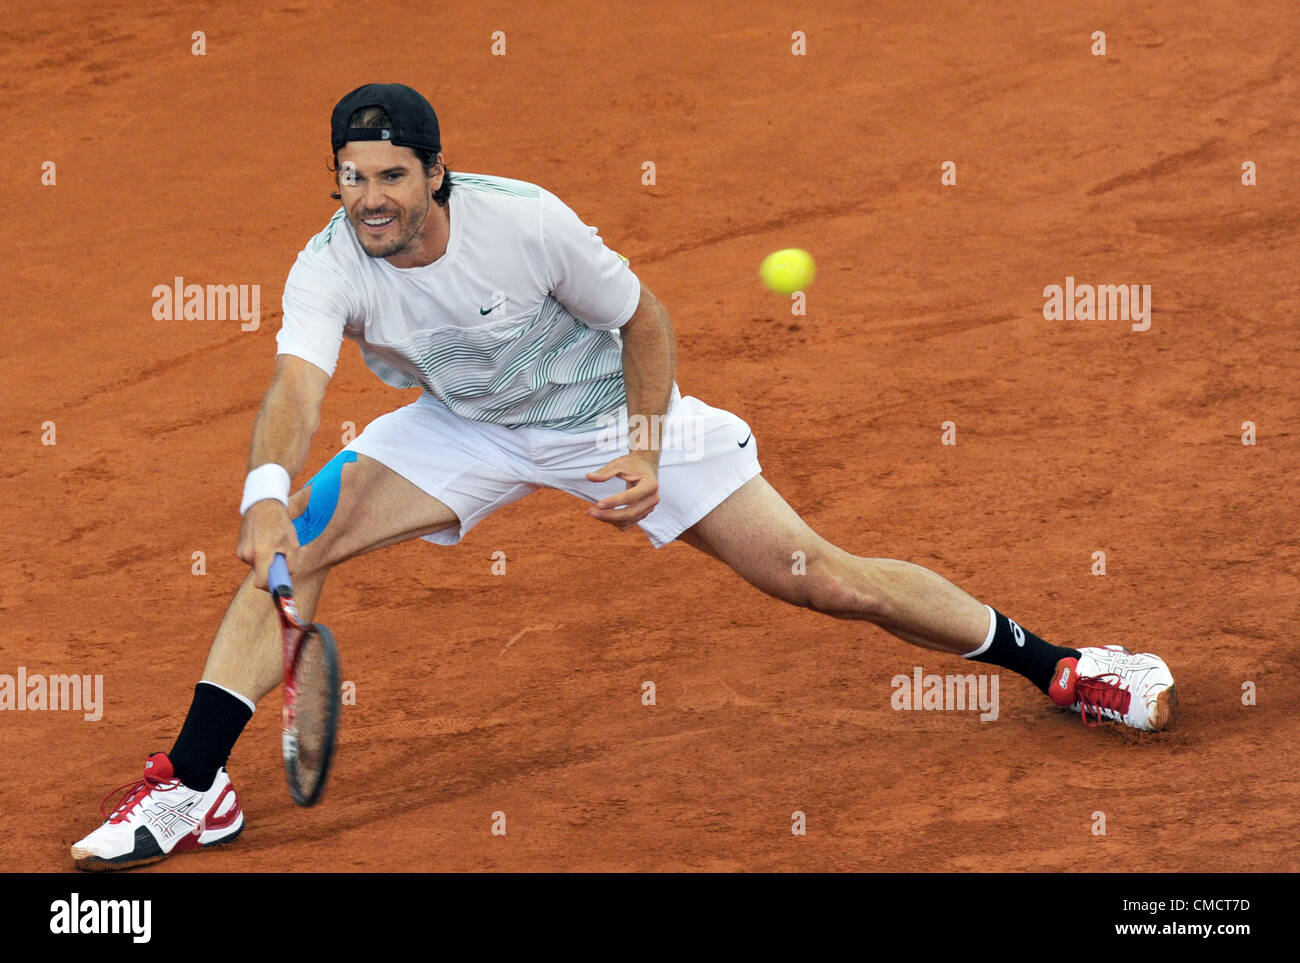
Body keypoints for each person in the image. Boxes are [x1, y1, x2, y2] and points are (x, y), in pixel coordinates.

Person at [71, 83, 1177, 871]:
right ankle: (194, 784)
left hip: (609, 415)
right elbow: (296, 391)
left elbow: (643, 320)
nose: (370, 199)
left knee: (818, 577)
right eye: (352, 178)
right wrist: (266, 489)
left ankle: (1065, 667)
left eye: (392, 176)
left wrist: (646, 447)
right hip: (460, 425)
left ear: (435, 171)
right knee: (299, 542)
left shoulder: (526, 223)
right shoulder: (327, 265)